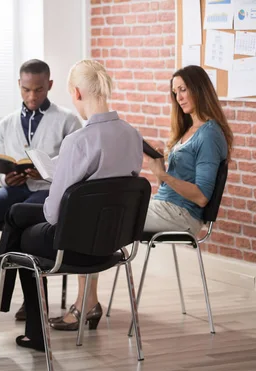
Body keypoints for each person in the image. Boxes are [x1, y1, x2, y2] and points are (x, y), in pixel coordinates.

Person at [0, 60, 144, 351]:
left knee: (19, 230)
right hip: (114, 243)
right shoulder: (133, 136)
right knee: (17, 216)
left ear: (76, 93)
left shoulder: (78, 141)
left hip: (74, 243)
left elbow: (54, 214)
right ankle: (19, 322)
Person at [48, 64, 232, 333]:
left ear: (200, 90)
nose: (179, 97)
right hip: (165, 206)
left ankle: (85, 305)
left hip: (182, 216)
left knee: (95, 213)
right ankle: (88, 303)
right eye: (175, 92)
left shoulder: (210, 133)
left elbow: (202, 197)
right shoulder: (190, 130)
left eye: (184, 89)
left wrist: (164, 175)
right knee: (99, 212)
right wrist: (163, 166)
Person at [0, 59, 82, 317]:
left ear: (50, 85)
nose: (32, 96)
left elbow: (75, 168)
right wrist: (5, 180)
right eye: (26, 89)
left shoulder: (68, 121)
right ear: (19, 86)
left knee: (24, 216)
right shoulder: (6, 123)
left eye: (38, 89)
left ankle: (34, 299)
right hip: (15, 190)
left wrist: (46, 173)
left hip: (47, 192)